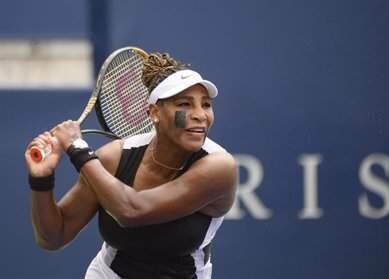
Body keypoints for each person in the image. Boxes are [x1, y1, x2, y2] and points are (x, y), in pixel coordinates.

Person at [25, 52, 237, 279]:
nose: (200, 115)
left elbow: (131, 211)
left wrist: (78, 149)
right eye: (184, 104)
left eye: (206, 105)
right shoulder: (113, 158)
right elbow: (54, 237)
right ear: (154, 113)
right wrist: (41, 181)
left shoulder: (219, 167)